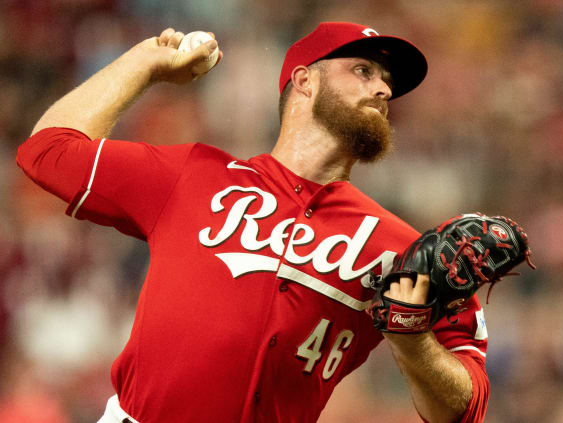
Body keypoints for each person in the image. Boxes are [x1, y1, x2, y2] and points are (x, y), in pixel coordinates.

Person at [16, 22, 490, 423]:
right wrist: (147, 63)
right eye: (363, 71)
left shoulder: (403, 251)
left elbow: (466, 406)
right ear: (305, 81)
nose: (383, 90)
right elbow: (48, 152)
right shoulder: (194, 176)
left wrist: (412, 340)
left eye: (385, 82)